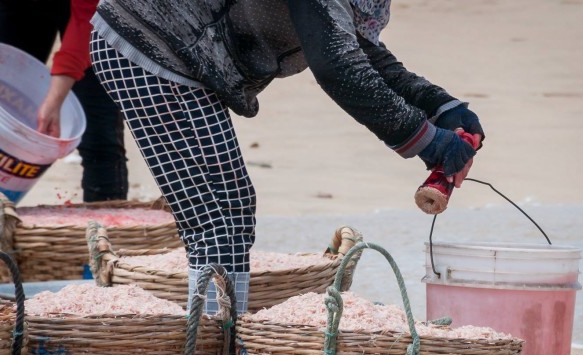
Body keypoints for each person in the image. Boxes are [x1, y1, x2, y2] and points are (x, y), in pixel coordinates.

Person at [88, 0, 485, 314]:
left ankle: (222, 339)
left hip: (179, 56)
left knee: (229, 211)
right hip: (149, 45)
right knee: (218, 216)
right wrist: (429, 143)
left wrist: (442, 107)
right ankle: (214, 354)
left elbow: (359, 51)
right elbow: (338, 68)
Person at [0, 0, 128, 202]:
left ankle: (106, 228)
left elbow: (85, 21)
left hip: (92, 10)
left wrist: (54, 101)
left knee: (100, 138)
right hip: (14, 8)